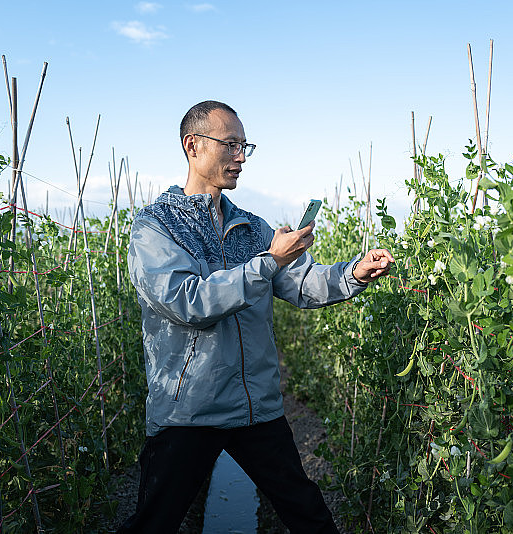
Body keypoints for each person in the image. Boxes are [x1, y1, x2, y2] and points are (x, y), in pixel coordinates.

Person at [119, 100, 394, 533]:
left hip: (255, 407)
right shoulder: (157, 227)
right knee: (154, 523)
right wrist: (267, 262)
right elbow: (188, 302)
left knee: (309, 514)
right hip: (190, 409)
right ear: (193, 146)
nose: (241, 157)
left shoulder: (251, 228)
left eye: (245, 146)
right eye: (231, 145)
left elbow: (302, 283)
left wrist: (355, 272)